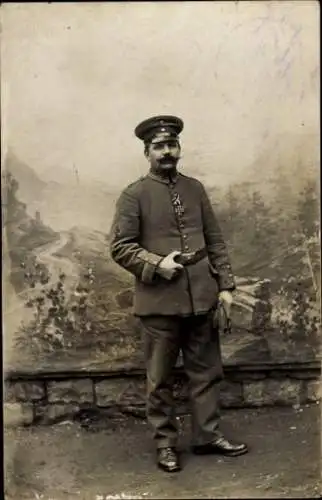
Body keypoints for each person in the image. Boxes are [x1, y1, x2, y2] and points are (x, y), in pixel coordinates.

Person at [109, 115, 248, 473]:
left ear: (179, 148)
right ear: (146, 152)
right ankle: (165, 444)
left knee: (207, 373)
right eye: (159, 146)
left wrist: (226, 287)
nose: (167, 151)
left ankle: (207, 436)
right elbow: (121, 247)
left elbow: (214, 240)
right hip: (159, 302)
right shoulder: (134, 194)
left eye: (171, 145)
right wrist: (157, 264)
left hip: (202, 296)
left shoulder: (195, 188)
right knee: (160, 379)